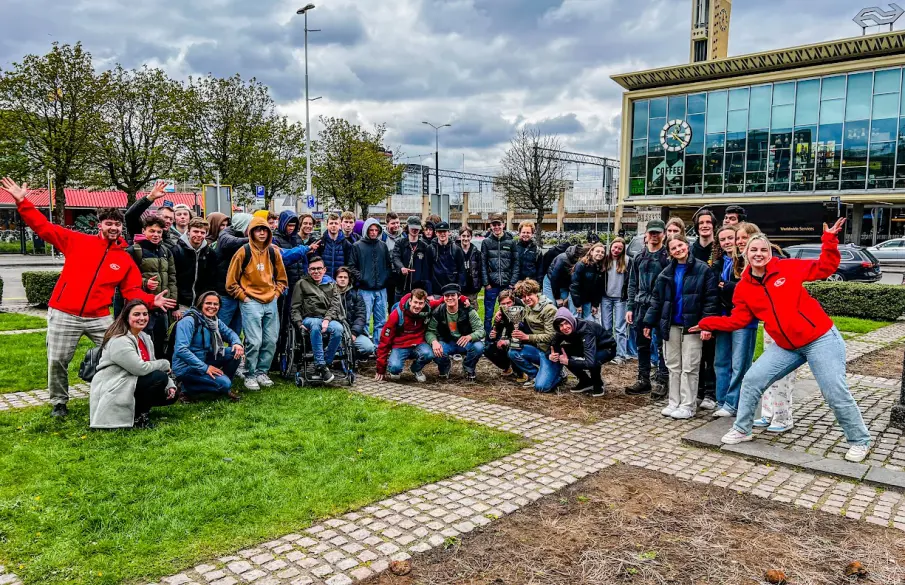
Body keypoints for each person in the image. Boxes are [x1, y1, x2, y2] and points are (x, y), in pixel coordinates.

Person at [692, 219, 873, 463]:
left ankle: (859, 440)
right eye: (753, 250)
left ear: (769, 252)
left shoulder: (787, 268)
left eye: (763, 250)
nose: (758, 253)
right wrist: (707, 323)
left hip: (819, 338)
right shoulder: (744, 288)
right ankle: (742, 429)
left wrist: (829, 241)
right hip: (787, 346)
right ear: (745, 254)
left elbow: (825, 268)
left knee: (834, 390)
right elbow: (737, 321)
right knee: (752, 380)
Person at [2, 177, 175, 418]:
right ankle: (59, 403)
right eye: (109, 223)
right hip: (65, 313)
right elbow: (43, 227)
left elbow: (132, 290)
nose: (113, 228)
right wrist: (22, 201)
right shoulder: (77, 242)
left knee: (121, 353)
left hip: (99, 316)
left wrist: (149, 300)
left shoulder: (123, 259)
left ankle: (119, 393)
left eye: (117, 224)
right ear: (100, 225)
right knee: (58, 360)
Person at [643, 233, 719, 419]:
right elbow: (657, 300)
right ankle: (673, 402)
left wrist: (706, 325)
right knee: (673, 366)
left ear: (687, 245)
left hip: (692, 327)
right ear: (669, 252)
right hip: (671, 326)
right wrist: (648, 322)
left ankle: (688, 405)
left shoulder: (703, 270)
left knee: (690, 367)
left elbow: (710, 300)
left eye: (680, 246)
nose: (678, 250)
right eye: (673, 248)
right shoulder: (665, 274)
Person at [89, 300, 177, 430]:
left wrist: (170, 385)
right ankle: (139, 417)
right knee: (158, 377)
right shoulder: (119, 340)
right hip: (116, 384)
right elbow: (140, 368)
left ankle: (138, 410)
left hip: (132, 380)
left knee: (170, 390)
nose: (142, 318)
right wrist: (164, 363)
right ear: (126, 317)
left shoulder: (144, 337)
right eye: (136, 314)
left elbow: (151, 362)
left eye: (145, 314)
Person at [226, 216, 288, 390]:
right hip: (250, 301)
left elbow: (282, 279)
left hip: (270, 301)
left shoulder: (273, 252)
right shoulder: (243, 252)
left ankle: (262, 371)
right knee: (254, 341)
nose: (262, 233)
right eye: (258, 229)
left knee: (270, 340)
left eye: (265, 230)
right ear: (251, 232)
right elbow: (231, 282)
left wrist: (276, 294)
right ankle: (250, 374)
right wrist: (243, 297)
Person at [710, 225, 757, 418]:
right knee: (720, 361)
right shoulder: (721, 263)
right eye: (724, 240)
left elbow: (746, 289)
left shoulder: (747, 261)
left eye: (732, 238)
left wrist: (728, 287)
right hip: (724, 316)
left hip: (744, 320)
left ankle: (734, 403)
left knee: (739, 364)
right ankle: (722, 401)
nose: (729, 242)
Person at [625, 219, 670, 398]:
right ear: (646, 234)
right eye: (651, 232)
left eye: (657, 233)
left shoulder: (667, 257)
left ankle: (662, 380)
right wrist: (630, 306)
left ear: (663, 235)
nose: (654, 236)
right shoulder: (639, 257)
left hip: (658, 306)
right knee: (641, 345)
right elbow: (632, 283)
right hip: (640, 305)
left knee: (660, 344)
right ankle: (643, 379)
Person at [172, 291, 244, 401]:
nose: (212, 307)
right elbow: (181, 350)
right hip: (186, 366)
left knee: (234, 353)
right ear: (201, 304)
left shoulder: (214, 321)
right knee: (224, 384)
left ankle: (223, 387)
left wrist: (237, 343)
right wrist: (205, 368)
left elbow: (229, 333)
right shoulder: (188, 321)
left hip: (205, 358)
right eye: (208, 303)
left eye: (216, 304)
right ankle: (185, 388)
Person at [128, 214, 178, 357]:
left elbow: (172, 277)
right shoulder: (135, 250)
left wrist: (172, 302)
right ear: (144, 231)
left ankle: (161, 368)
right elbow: (127, 278)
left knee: (162, 339)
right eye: (152, 231)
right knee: (143, 339)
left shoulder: (165, 251)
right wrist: (144, 283)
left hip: (162, 306)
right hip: (143, 305)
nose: (155, 235)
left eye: (159, 232)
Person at [290, 256, 343, 382]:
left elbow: (335, 305)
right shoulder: (301, 284)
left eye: (319, 268)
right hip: (309, 319)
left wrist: (327, 319)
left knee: (339, 329)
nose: (316, 271)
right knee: (315, 324)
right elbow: (295, 307)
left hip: (328, 319)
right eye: (313, 269)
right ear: (308, 270)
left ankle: (326, 363)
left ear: (324, 270)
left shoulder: (331, 284)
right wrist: (298, 322)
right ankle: (320, 364)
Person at [374, 289, 441, 382]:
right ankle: (394, 370)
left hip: (419, 343)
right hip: (400, 345)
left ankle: (416, 369)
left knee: (429, 354)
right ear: (410, 301)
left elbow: (445, 300)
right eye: (415, 302)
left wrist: (462, 299)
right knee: (394, 367)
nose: (417, 306)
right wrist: (380, 367)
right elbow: (385, 340)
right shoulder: (397, 314)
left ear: (425, 303)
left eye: (420, 303)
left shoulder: (428, 308)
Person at [508, 279, 561, 393]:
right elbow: (515, 311)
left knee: (541, 388)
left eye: (529, 295)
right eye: (523, 296)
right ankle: (535, 374)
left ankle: (559, 374)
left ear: (536, 292)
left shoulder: (549, 309)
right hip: (538, 349)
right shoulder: (527, 307)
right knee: (513, 351)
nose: (526, 298)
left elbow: (551, 336)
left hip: (550, 352)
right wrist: (501, 313)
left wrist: (527, 337)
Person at [550, 307, 616, 397]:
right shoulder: (561, 331)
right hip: (584, 347)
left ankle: (597, 383)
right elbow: (552, 345)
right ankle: (585, 381)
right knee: (562, 351)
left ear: (571, 320)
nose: (564, 327)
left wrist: (569, 362)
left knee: (593, 358)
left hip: (606, 348)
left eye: (566, 323)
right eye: (561, 325)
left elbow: (590, 362)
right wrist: (551, 355)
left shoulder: (586, 329)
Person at [425, 283, 485, 381]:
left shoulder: (468, 310)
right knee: (434, 349)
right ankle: (444, 367)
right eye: (447, 296)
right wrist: (434, 342)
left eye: (453, 295)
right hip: (447, 342)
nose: (450, 298)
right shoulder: (438, 311)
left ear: (459, 297)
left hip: (465, 342)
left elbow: (481, 331)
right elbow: (429, 331)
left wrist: (470, 336)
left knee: (479, 347)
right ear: (443, 298)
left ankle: (468, 367)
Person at [350, 218, 392, 346]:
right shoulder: (357, 246)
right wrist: (362, 278)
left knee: (381, 320)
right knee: (365, 319)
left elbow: (388, 266)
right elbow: (351, 266)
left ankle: (378, 345)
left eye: (376, 230)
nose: (373, 232)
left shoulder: (382, 246)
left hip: (381, 289)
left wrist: (385, 278)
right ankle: (367, 346)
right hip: (364, 290)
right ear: (366, 230)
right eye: (371, 230)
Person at [691, 209, 718, 409]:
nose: (705, 225)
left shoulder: (719, 249)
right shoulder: (692, 249)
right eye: (701, 223)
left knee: (712, 354)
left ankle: (711, 393)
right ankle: (698, 391)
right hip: (694, 306)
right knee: (697, 354)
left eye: (708, 222)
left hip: (714, 306)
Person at [215, 213, 252, 336]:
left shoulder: (241, 236)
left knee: (236, 331)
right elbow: (228, 242)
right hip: (225, 293)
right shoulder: (226, 234)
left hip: (239, 292)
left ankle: (233, 353)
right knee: (220, 329)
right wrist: (252, 240)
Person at [173, 217, 218, 316]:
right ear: (188, 232)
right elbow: (173, 280)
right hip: (182, 304)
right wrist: (175, 307)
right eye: (195, 231)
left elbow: (211, 281)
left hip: (201, 304)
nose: (199, 235)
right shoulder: (176, 251)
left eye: (202, 232)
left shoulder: (210, 253)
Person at [481, 213, 516, 335]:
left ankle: (507, 337)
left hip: (506, 285)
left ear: (503, 225)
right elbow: (483, 264)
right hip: (492, 284)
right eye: (494, 225)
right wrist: (486, 283)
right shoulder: (486, 242)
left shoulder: (511, 241)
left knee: (508, 314)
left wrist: (512, 283)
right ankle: (487, 340)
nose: (496, 227)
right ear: (491, 226)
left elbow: (515, 263)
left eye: (499, 224)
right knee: (488, 315)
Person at [600, 237, 632, 365]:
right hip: (606, 297)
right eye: (615, 247)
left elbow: (630, 281)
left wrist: (629, 297)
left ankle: (621, 355)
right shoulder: (604, 259)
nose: (616, 250)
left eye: (620, 248)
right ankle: (607, 352)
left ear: (623, 250)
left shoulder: (627, 261)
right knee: (606, 327)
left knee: (620, 328)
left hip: (620, 298)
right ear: (610, 246)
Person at [125, 181, 179, 251]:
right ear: (157, 216)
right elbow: (130, 216)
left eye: (171, 219)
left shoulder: (171, 243)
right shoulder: (142, 232)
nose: (168, 221)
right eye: (165, 217)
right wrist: (150, 197)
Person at [334, 267, 376, 358]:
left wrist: (354, 333)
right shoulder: (329, 295)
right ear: (335, 279)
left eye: (345, 277)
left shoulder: (356, 295)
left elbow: (361, 316)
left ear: (349, 280)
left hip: (352, 332)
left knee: (369, 348)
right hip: (335, 333)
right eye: (340, 277)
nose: (342, 279)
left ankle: (351, 356)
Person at [392, 216, 435, 303]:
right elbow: (395, 257)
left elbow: (427, 270)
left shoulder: (424, 246)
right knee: (399, 312)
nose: (415, 230)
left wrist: (428, 290)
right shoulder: (400, 243)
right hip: (402, 287)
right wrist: (401, 268)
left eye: (417, 228)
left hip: (418, 289)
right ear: (407, 227)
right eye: (412, 228)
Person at [486, 289, 522, 378]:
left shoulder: (520, 312)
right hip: (509, 338)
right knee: (487, 348)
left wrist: (506, 341)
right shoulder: (500, 313)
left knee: (512, 347)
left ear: (513, 301)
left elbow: (521, 336)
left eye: (508, 303)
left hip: (522, 341)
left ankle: (522, 371)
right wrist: (493, 335)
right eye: (503, 304)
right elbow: (496, 331)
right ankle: (506, 366)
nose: (506, 306)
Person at [570, 242, 606, 320]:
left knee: (588, 321)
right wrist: (577, 304)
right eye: (598, 251)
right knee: (576, 320)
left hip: (588, 300)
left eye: (602, 252)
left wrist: (595, 304)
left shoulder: (600, 268)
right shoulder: (581, 265)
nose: (600, 254)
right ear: (592, 252)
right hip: (576, 298)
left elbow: (598, 289)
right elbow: (574, 285)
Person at [545, 244, 585, 309]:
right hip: (551, 281)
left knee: (565, 305)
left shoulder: (581, 261)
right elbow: (554, 278)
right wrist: (557, 298)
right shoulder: (562, 259)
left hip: (564, 284)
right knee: (552, 305)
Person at [431, 221, 466, 293]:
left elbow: (462, 271)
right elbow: (427, 271)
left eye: (444, 231)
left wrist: (459, 289)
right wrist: (429, 292)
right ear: (436, 233)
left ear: (448, 232)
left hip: (452, 291)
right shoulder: (430, 249)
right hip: (436, 291)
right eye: (440, 232)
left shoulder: (456, 250)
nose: (442, 234)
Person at [319, 212, 353, 279]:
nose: (333, 225)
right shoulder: (320, 243)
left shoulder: (346, 244)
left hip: (340, 282)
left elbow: (349, 266)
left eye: (336, 223)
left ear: (340, 225)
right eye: (331, 223)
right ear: (327, 225)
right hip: (323, 282)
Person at [382, 212, 404, 311]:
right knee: (390, 300)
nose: (396, 226)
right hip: (388, 273)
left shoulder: (403, 235)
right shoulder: (383, 237)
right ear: (387, 224)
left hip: (401, 273)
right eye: (393, 223)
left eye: (397, 223)